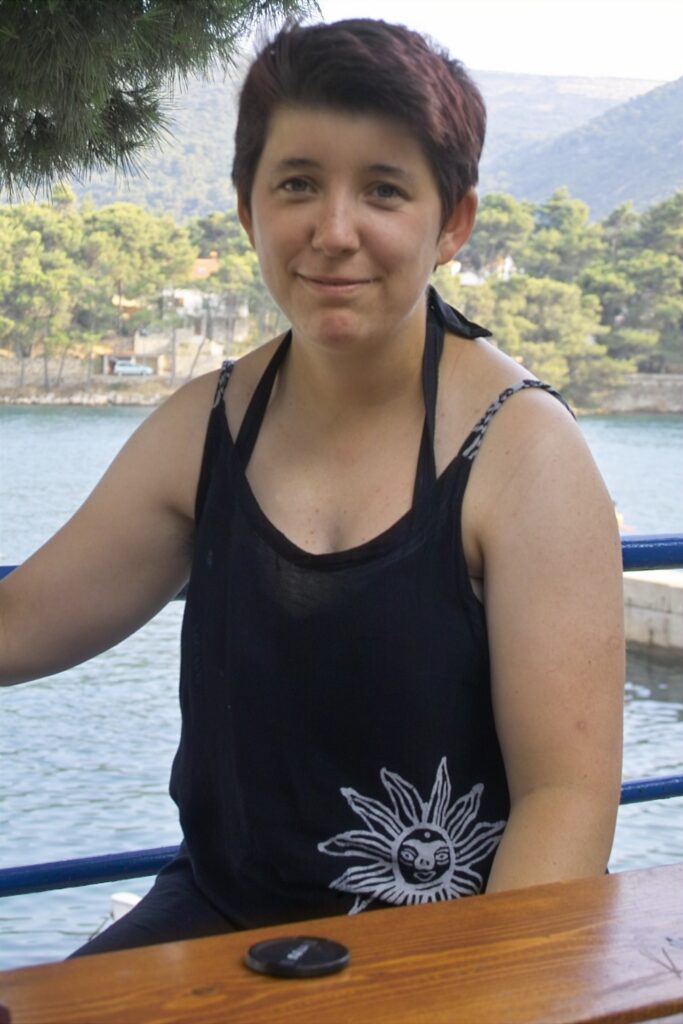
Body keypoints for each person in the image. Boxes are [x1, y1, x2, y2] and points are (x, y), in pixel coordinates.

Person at [0, 19, 624, 956]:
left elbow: (565, 799)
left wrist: (489, 997)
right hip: (220, 921)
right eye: (297, 185)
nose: (334, 232)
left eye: (383, 190)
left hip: (448, 945)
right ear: (249, 211)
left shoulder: (522, 452)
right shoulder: (205, 428)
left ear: (451, 221)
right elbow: (20, 624)